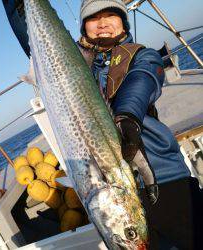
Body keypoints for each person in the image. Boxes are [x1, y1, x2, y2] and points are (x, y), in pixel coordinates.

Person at [78, 0, 203, 249]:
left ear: (123, 22)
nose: (102, 23)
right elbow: (36, 45)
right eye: (93, 18)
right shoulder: (75, 67)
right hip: (112, 195)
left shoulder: (142, 55)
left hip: (166, 181)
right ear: (84, 27)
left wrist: (127, 116)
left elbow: (142, 78)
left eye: (110, 15)